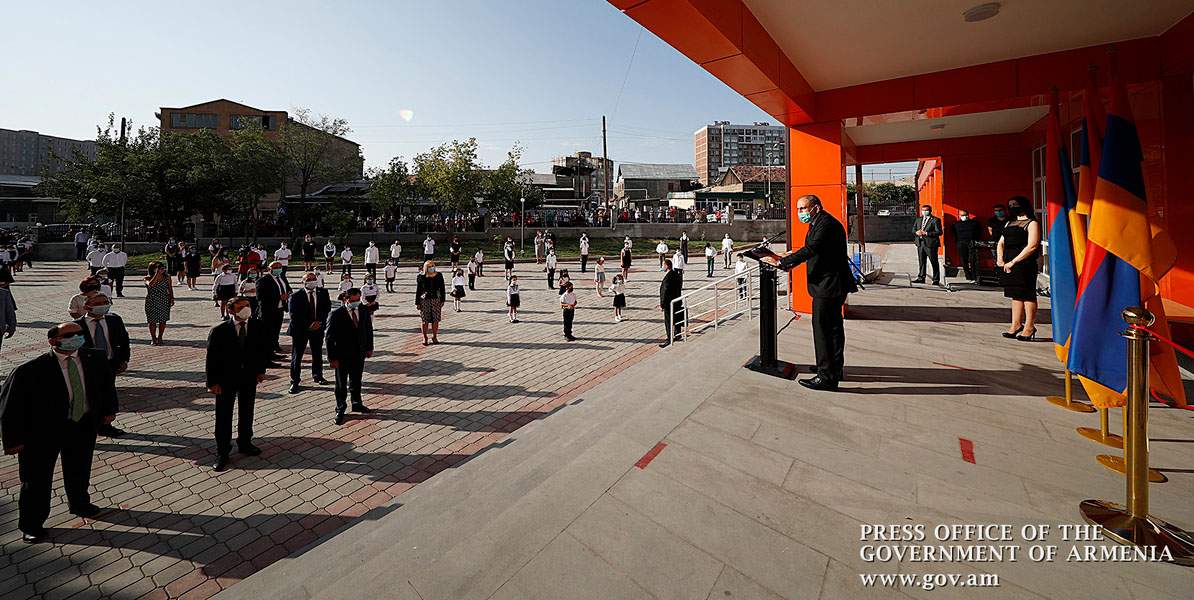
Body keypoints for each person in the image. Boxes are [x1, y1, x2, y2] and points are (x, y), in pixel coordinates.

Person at [0, 322, 118, 542]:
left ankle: (80, 503)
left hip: (82, 424)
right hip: (42, 433)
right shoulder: (30, 370)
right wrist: (12, 440)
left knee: (80, 468)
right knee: (36, 479)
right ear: (53, 341)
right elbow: (10, 407)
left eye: (80, 334)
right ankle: (32, 524)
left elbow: (106, 387)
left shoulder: (95, 358)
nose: (77, 337)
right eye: (70, 335)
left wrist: (109, 412)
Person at [762, 194, 858, 392]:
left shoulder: (827, 224)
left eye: (803, 209)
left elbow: (813, 248)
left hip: (829, 285)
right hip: (831, 284)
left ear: (816, 207)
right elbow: (814, 248)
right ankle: (832, 367)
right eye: (798, 209)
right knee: (833, 329)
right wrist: (788, 255)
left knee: (823, 330)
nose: (800, 213)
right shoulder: (819, 222)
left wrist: (782, 263)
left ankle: (826, 377)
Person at [204, 297, 268, 471]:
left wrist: (261, 371)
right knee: (224, 415)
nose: (246, 309)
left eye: (247, 306)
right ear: (231, 311)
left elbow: (261, 350)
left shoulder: (257, 326)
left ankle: (245, 442)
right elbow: (211, 359)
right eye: (241, 307)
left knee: (247, 410)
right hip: (226, 379)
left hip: (248, 377)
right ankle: (223, 450)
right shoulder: (220, 331)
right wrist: (212, 382)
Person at [74, 294, 130, 438]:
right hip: (88, 366)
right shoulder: (78, 325)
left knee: (108, 393)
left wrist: (124, 360)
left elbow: (123, 341)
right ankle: (91, 424)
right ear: (87, 307)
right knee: (92, 395)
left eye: (106, 302)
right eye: (98, 303)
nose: (103, 305)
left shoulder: (114, 320)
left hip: (110, 363)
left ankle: (106, 425)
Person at [325, 289, 374, 425]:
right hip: (342, 355)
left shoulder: (363, 310)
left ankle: (357, 403)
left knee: (356, 380)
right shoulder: (336, 314)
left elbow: (368, 329)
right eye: (352, 301)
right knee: (341, 383)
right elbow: (329, 338)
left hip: (359, 353)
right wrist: (332, 358)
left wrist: (369, 348)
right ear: (345, 299)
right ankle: (340, 408)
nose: (355, 303)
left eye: (357, 300)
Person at [996, 196, 1041, 341]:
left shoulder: (1032, 223)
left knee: (1028, 295)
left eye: (1016, 204)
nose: (1013, 207)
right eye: (1010, 205)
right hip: (1008, 262)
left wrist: (1014, 261)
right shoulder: (1009, 222)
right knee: (1015, 295)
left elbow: (1032, 246)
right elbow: (1001, 242)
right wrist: (1000, 259)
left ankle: (1029, 327)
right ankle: (1016, 325)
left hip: (1024, 263)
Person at [287, 273, 331, 394]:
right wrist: (309, 325)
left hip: (318, 328)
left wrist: (319, 323)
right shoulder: (295, 296)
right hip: (300, 330)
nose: (311, 281)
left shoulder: (323, 293)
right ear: (303, 282)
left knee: (317, 352)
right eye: (308, 280)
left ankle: (318, 375)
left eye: (313, 279)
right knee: (297, 355)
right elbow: (294, 315)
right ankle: (294, 380)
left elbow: (327, 309)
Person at [256, 261, 292, 356]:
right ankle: (268, 353)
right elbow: (260, 296)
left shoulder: (282, 278)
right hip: (268, 310)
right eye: (275, 267)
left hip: (280, 308)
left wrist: (289, 293)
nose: (278, 269)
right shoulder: (263, 280)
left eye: (280, 267)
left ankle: (274, 346)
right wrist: (279, 297)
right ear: (269, 269)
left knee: (276, 330)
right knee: (268, 332)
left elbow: (287, 288)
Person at [144, 261, 174, 346]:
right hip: (152, 300)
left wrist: (172, 298)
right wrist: (156, 275)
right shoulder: (147, 278)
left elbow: (170, 288)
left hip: (164, 299)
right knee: (152, 320)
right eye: (157, 268)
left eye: (161, 267)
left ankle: (160, 336)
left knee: (163, 319)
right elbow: (150, 285)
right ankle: (153, 337)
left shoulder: (167, 277)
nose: (160, 269)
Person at [415, 261, 445, 345]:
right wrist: (417, 303)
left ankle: (434, 336)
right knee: (425, 319)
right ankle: (425, 337)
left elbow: (442, 288)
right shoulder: (422, 277)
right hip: (425, 300)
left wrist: (443, 300)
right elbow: (418, 290)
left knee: (436, 319)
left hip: (436, 299)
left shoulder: (439, 275)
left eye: (433, 266)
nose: (432, 267)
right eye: (429, 266)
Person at [912, 204, 943, 285]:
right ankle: (921, 277)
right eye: (923, 210)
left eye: (926, 210)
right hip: (920, 243)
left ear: (930, 210)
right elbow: (913, 229)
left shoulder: (935, 220)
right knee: (922, 261)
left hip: (931, 244)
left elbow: (939, 232)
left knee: (933, 261)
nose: (924, 212)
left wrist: (927, 233)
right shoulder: (919, 219)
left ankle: (936, 279)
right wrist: (916, 232)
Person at [951, 209, 984, 281]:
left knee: (973, 259)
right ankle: (967, 273)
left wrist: (975, 240)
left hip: (972, 242)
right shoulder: (956, 224)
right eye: (962, 215)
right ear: (959, 216)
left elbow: (979, 232)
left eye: (965, 215)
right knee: (963, 259)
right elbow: (954, 233)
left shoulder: (975, 223)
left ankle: (974, 275)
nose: (964, 217)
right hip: (961, 242)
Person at [658, 259, 683, 347]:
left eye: (663, 265)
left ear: (667, 266)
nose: (662, 267)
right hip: (677, 300)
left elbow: (665, 291)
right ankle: (677, 334)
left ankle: (669, 338)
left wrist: (662, 304)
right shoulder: (676, 274)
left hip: (669, 303)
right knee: (676, 318)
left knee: (668, 320)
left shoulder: (668, 277)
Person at [0, 284, 15, 351]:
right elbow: (10, 312)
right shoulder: (3, 293)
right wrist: (11, 327)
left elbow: (9, 312)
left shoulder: (3, 293)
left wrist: (11, 327)